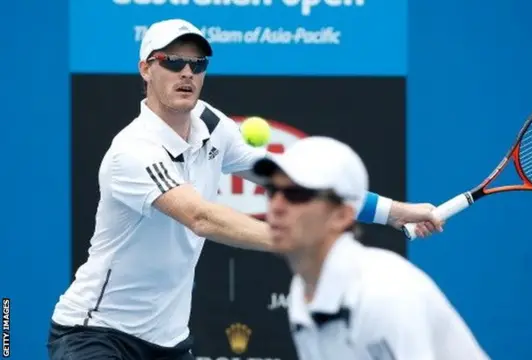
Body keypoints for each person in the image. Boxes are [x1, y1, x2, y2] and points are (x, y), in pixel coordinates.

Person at [47, 18, 443, 360]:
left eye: (197, 63)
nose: (187, 72)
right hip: (95, 333)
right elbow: (201, 217)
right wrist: (296, 241)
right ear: (146, 70)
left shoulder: (213, 125)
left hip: (167, 341)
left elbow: (295, 179)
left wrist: (395, 212)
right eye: (172, 61)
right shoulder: (132, 151)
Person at [251, 136, 490, 360]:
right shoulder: (302, 291)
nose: (276, 206)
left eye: (296, 194)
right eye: (272, 191)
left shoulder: (384, 294)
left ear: (342, 215)